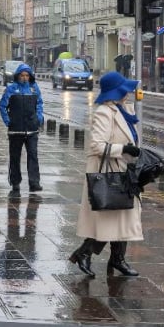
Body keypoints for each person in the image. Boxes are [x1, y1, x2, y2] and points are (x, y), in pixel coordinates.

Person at [69, 71, 143, 279]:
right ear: (114, 92)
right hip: (108, 171)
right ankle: (85, 254)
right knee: (111, 218)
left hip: (122, 170)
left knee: (123, 217)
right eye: (123, 90)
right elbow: (97, 146)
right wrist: (124, 149)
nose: (127, 93)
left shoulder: (124, 110)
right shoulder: (104, 112)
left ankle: (116, 259)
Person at [0, 63, 44, 195]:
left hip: (32, 129)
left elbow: (39, 104)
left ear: (30, 76)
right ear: (18, 76)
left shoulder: (34, 89)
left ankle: (34, 182)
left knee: (33, 155)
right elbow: (2, 106)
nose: (24, 78)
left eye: (27, 75)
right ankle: (15, 182)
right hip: (16, 130)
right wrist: (8, 122)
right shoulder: (11, 89)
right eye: (22, 75)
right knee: (15, 156)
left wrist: (39, 118)